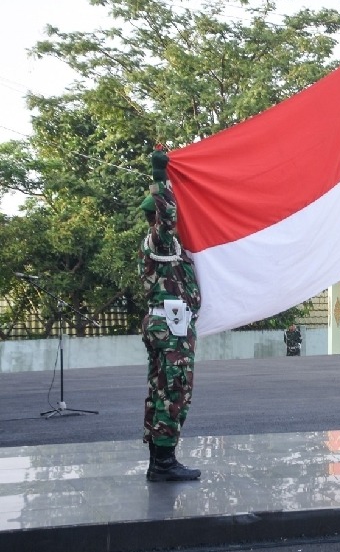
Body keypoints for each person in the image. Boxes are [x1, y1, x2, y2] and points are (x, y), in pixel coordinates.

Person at [139, 147, 202, 481]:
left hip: (166, 325)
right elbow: (167, 215)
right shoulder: (159, 240)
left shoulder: (170, 248)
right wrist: (160, 176)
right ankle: (164, 461)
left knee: (161, 391)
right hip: (169, 328)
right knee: (175, 391)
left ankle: (158, 460)